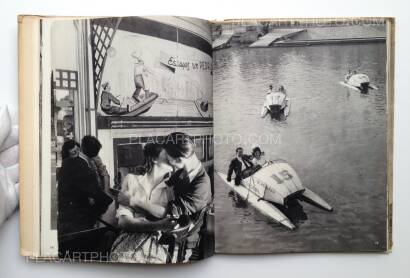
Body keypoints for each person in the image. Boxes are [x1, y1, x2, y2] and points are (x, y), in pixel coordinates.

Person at [111, 143, 176, 263]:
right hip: (130, 239)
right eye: (168, 154)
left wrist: (135, 206)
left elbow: (167, 215)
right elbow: (124, 222)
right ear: (154, 159)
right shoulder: (131, 180)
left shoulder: (171, 186)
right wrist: (158, 224)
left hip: (159, 242)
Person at [57, 136, 113, 236]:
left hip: (64, 221)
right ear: (96, 154)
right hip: (76, 225)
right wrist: (110, 200)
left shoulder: (68, 162)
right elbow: (99, 195)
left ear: (81, 147)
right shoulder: (83, 168)